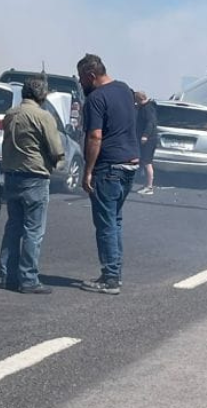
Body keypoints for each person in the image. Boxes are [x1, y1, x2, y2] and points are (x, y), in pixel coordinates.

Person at [76, 53, 140, 295]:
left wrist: (88, 171)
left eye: (82, 79)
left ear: (91, 75)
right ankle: (115, 273)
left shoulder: (95, 99)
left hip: (109, 167)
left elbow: (95, 136)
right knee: (115, 221)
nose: (81, 84)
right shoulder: (125, 90)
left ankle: (110, 277)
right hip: (130, 165)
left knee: (106, 224)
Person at [0, 78, 65, 294]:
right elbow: (56, 150)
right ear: (42, 95)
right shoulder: (44, 116)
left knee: (13, 227)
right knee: (33, 231)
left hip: (12, 175)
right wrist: (57, 163)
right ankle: (28, 279)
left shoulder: (11, 114)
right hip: (35, 176)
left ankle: (8, 275)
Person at [135, 91, 158, 194]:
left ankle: (149, 187)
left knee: (147, 162)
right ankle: (147, 185)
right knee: (145, 161)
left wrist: (145, 135)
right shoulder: (145, 107)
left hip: (149, 140)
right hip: (148, 139)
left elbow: (150, 123)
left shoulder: (148, 108)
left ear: (139, 99)